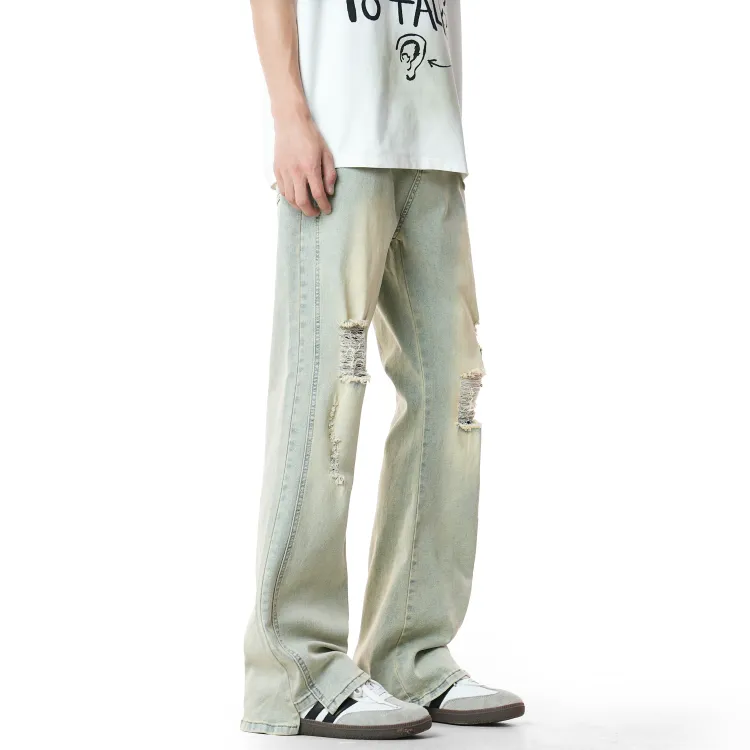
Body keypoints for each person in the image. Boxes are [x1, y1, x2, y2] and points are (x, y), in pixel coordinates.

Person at [241, 0, 524, 740]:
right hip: (337, 138)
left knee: (452, 392)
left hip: (432, 138)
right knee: (324, 394)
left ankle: (411, 652)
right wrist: (288, 115)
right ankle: (295, 671)